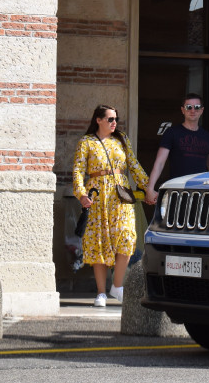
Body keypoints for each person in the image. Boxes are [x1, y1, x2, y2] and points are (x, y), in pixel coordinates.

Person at [72, 105, 149, 307]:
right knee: (99, 242)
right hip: (97, 195)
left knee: (126, 236)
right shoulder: (86, 142)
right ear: (98, 120)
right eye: (110, 119)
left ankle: (117, 287)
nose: (114, 123)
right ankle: (101, 293)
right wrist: (81, 194)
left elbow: (133, 165)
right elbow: (78, 170)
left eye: (116, 119)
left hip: (121, 194)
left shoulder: (122, 139)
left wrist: (148, 187)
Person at [144, 93, 209, 211]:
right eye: (189, 107)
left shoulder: (208, 137)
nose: (193, 110)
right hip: (176, 191)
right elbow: (159, 163)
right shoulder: (172, 133)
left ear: (202, 110)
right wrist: (150, 188)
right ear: (183, 110)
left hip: (202, 193)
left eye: (197, 107)